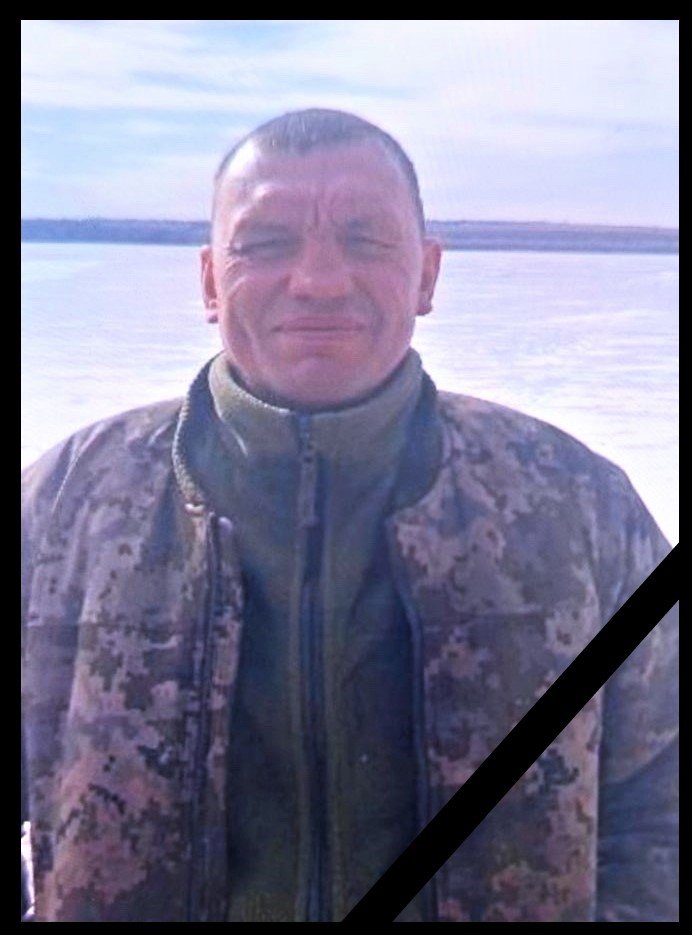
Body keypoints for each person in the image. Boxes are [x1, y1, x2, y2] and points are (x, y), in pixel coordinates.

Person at [21, 108, 678, 923]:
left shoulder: (577, 508)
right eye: (266, 243)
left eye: (366, 239)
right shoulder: (66, 509)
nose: (320, 280)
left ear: (427, 274)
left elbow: (663, 799)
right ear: (210, 281)